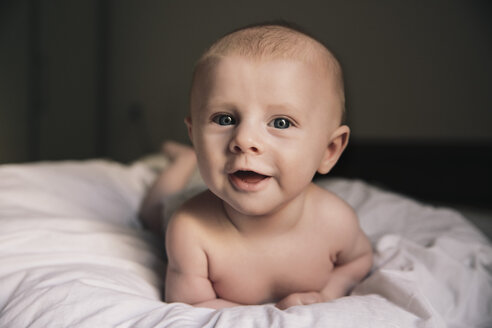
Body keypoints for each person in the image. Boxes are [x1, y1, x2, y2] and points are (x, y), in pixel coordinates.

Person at [141, 22, 373, 310]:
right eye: (224, 119)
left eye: (281, 123)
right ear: (195, 137)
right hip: (188, 207)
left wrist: (328, 293)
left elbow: (359, 260)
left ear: (329, 150)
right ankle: (182, 161)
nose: (244, 140)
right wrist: (274, 313)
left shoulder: (336, 221)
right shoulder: (190, 230)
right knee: (152, 216)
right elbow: (193, 304)